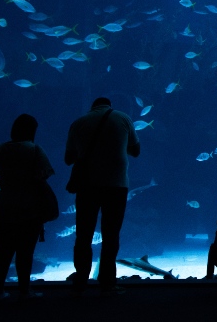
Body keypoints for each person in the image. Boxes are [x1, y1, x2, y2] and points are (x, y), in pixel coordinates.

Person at [0, 114, 56, 301]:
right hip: (30, 204)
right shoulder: (35, 149)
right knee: (26, 251)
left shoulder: (0, 149)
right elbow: (45, 174)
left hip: (5, 202)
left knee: (3, 249)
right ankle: (24, 290)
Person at [65, 97, 140, 295]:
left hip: (87, 187)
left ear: (92, 107)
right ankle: (107, 282)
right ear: (110, 106)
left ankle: (81, 279)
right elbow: (136, 150)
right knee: (111, 235)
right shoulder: (123, 118)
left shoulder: (79, 123)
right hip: (116, 186)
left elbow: (68, 158)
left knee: (83, 235)